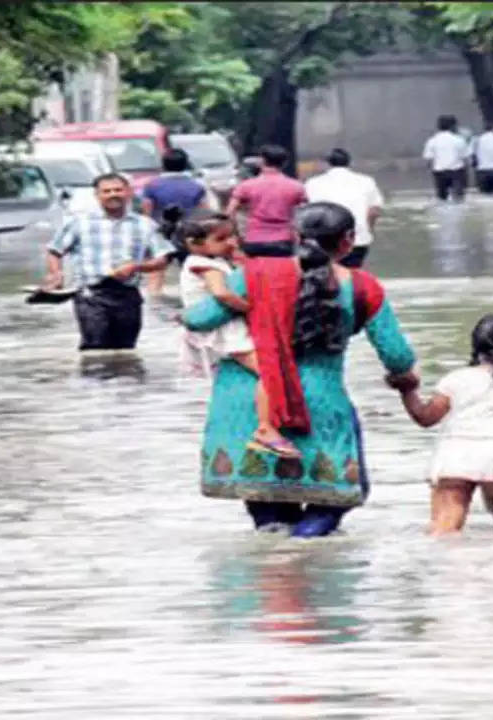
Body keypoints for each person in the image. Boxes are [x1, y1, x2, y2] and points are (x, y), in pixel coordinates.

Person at [181, 201, 418, 537]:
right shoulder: (362, 286)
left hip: (247, 401)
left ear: (295, 235)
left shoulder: (253, 275)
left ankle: (280, 565)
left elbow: (197, 319)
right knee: (332, 501)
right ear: (349, 240)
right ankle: (305, 544)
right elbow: (397, 355)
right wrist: (405, 378)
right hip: (320, 402)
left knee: (269, 516)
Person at [389, 313, 493, 536]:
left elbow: (426, 417)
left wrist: (407, 390)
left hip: (454, 456)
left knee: (443, 530)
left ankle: (449, 568)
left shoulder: (455, 379)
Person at [177, 210, 300, 459]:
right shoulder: (206, 265)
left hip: (219, 330)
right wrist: (251, 308)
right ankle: (266, 429)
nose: (232, 243)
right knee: (268, 371)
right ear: (194, 244)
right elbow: (222, 294)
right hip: (226, 331)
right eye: (222, 239)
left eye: (233, 236)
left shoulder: (211, 261)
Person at [43, 173, 174, 351]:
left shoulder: (145, 225)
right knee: (95, 348)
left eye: (118, 190)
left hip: (127, 294)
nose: (113, 194)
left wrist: (137, 266)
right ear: (97, 195)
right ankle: (92, 377)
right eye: (107, 191)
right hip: (90, 295)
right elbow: (55, 250)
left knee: (126, 350)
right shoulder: (79, 223)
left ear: (128, 193)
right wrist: (56, 275)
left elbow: (163, 259)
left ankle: (122, 378)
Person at [141, 147, 210, 295]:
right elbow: (204, 212)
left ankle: (153, 300)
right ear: (186, 164)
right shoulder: (196, 186)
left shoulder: (152, 185)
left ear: (163, 164)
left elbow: (146, 210)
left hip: (161, 232)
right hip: (189, 233)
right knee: (193, 268)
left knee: (156, 271)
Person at [303, 148, 384, 268]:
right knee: (352, 274)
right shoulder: (366, 181)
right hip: (357, 239)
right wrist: (368, 230)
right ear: (349, 163)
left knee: (326, 276)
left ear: (327, 164)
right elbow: (374, 211)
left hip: (323, 242)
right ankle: (348, 286)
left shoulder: (312, 183)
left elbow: (306, 212)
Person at [225, 144, 308, 253]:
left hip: (254, 240)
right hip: (284, 241)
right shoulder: (296, 186)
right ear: (285, 163)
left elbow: (230, 212)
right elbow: (305, 213)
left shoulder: (246, 186)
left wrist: (237, 235)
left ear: (261, 161)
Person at [422, 115, 471, 202]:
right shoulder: (459, 140)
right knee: (458, 199)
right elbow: (466, 159)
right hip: (457, 172)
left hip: (439, 173)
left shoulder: (432, 141)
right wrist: (466, 174)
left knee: (442, 199)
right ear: (453, 126)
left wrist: (432, 172)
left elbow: (428, 160)